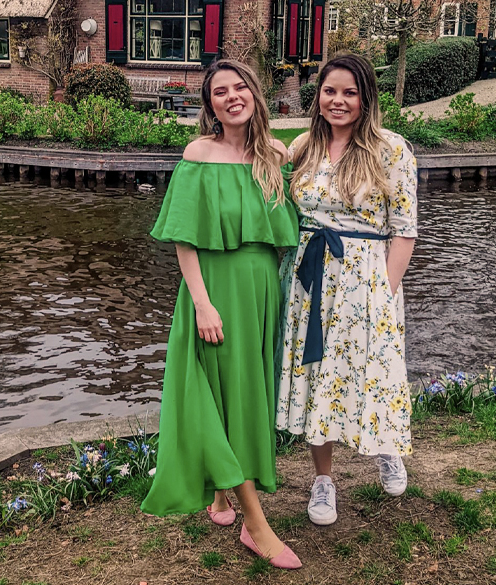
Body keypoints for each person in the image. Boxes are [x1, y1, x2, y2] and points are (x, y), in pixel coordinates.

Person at [141, 59, 302, 570]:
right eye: (219, 92)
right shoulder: (199, 154)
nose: (231, 97)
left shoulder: (273, 154)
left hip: (261, 290)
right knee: (222, 390)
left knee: (244, 390)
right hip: (216, 291)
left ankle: (221, 497)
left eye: (239, 88)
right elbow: (185, 239)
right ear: (209, 106)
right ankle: (258, 528)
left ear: (254, 93)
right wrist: (202, 303)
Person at [277, 53, 417, 527]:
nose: (338, 101)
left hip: (367, 281)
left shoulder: (390, 149)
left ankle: (387, 450)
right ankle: (323, 480)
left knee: (374, 369)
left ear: (365, 98)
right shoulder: (303, 146)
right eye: (330, 91)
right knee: (320, 376)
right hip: (312, 279)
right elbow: (259, 168)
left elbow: (405, 229)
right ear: (318, 96)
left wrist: (385, 290)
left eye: (349, 92)